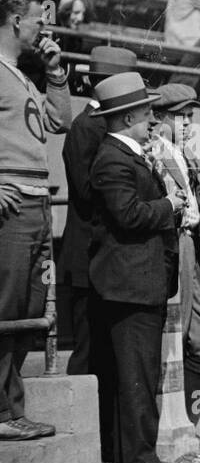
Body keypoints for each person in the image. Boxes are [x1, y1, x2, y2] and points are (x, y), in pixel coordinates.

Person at [86, 72, 188, 463]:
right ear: (128, 116)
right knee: (137, 374)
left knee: (137, 373)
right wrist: (169, 205)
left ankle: (133, 458)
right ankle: (140, 460)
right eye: (147, 110)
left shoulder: (126, 154)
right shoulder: (113, 159)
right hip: (129, 284)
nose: (153, 118)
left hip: (139, 281)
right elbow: (128, 215)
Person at [0, 0, 71, 441]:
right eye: (36, 18)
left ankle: (11, 409)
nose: (43, 25)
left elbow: (60, 121)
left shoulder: (22, 74)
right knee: (6, 309)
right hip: (11, 209)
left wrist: (55, 72)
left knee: (28, 312)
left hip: (37, 203)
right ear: (13, 21)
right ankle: (4, 415)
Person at [60, 46, 138, 398]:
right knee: (88, 354)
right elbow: (90, 190)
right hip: (86, 257)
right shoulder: (87, 128)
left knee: (103, 354)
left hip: (98, 258)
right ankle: (87, 437)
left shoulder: (97, 126)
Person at [147, 85, 200, 433]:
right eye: (183, 117)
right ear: (161, 118)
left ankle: (184, 423)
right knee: (173, 340)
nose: (189, 123)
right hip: (172, 248)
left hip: (190, 249)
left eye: (191, 116)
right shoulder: (152, 150)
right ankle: (170, 426)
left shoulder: (181, 150)